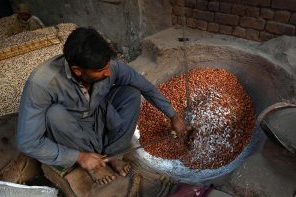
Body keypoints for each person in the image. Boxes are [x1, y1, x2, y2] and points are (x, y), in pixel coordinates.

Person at [16, 27, 187, 185]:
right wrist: (79, 156)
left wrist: (173, 115)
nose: (108, 73)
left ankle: (113, 154)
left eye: (107, 66)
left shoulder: (108, 66)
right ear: (77, 70)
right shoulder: (42, 83)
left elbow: (146, 87)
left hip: (99, 115)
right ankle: (92, 162)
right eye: (101, 70)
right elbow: (27, 142)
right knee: (54, 114)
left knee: (131, 92)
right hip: (71, 130)